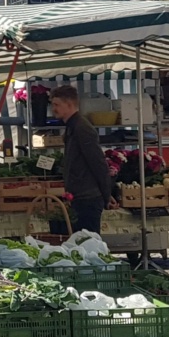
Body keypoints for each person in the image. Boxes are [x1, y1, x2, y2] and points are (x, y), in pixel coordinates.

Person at [50, 85, 116, 233]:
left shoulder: (82, 128)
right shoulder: (72, 127)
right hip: (79, 196)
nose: (53, 108)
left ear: (69, 104)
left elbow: (98, 163)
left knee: (89, 244)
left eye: (56, 105)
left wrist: (106, 195)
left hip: (88, 198)